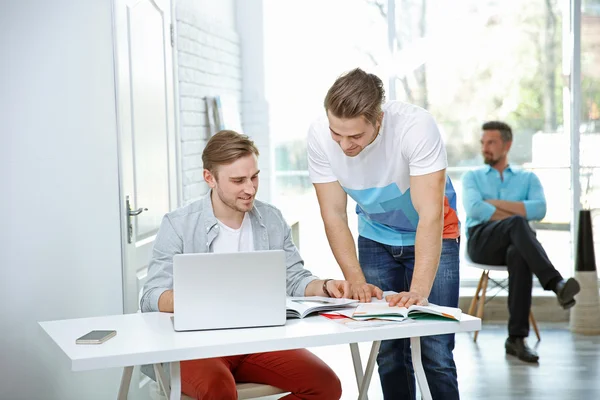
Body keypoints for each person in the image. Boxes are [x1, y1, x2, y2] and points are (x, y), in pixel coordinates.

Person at [140, 130, 350, 400]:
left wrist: (326, 285)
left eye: (254, 177)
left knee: (325, 385)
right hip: (196, 345)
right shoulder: (179, 224)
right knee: (219, 390)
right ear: (209, 178)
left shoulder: (271, 219)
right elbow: (150, 296)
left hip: (257, 342)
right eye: (238, 180)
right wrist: (200, 300)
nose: (250, 188)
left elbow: (294, 278)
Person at [307, 68, 461, 400]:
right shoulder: (320, 135)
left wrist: (419, 292)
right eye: (338, 134)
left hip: (436, 235)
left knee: (435, 349)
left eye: (356, 136)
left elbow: (430, 215)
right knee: (389, 349)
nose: (345, 145)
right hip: (376, 238)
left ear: (378, 119)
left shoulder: (415, 128)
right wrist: (356, 280)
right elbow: (333, 214)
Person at [462, 121, 581, 363]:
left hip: (514, 245)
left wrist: (493, 203)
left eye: (491, 142)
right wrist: (517, 213)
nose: (485, 148)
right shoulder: (472, 177)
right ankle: (556, 283)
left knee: (518, 252)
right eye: (483, 143)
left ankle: (516, 339)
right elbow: (475, 208)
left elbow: (540, 209)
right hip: (481, 243)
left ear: (507, 145)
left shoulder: (527, 178)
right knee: (518, 224)